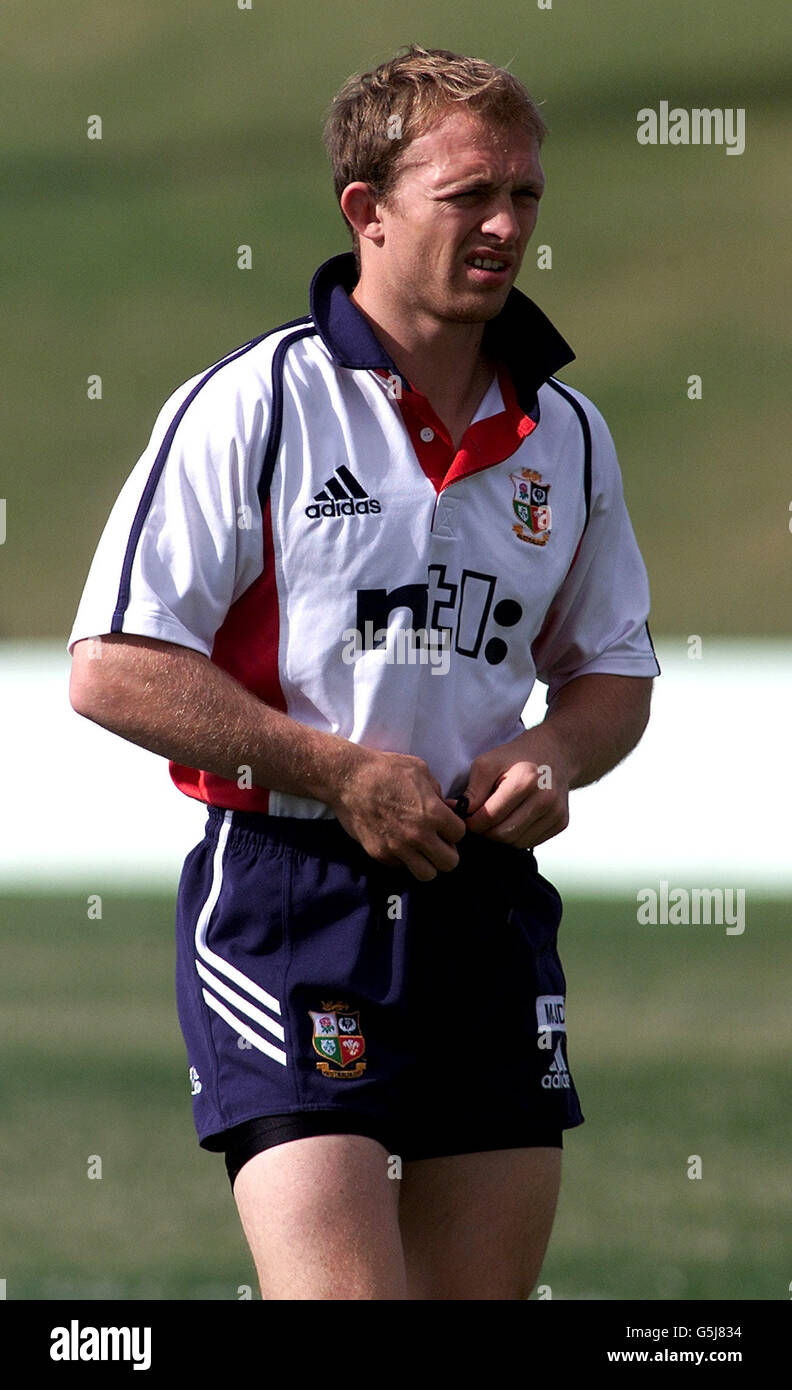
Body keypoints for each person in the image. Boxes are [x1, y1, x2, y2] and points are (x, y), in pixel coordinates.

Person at [68, 44, 659, 1300]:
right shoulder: (257, 403)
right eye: (468, 197)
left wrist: (551, 757)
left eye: (527, 195)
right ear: (367, 209)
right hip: (293, 903)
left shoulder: (570, 431)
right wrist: (337, 772)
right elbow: (113, 667)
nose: (506, 225)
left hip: (487, 904)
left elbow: (613, 673)